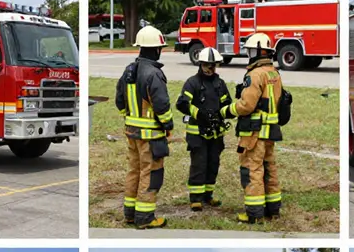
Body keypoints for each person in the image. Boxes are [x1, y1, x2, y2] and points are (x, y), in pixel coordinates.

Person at [220, 33, 286, 224]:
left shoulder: (255, 74)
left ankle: (254, 214)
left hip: (254, 133)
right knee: (269, 169)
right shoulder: (274, 73)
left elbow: (246, 105)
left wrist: (227, 110)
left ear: (258, 51)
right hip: (271, 132)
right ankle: (273, 210)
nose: (249, 54)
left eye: (250, 51)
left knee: (252, 170)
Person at [115, 26, 174, 229]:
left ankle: (130, 214)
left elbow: (119, 100)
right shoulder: (154, 74)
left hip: (131, 132)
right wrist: (168, 125)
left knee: (134, 171)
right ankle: (145, 217)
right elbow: (162, 105)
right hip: (150, 136)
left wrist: (129, 119)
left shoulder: (128, 71)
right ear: (156, 49)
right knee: (151, 173)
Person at [176, 47, 232, 211]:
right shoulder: (192, 83)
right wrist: (199, 114)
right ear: (200, 64)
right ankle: (195, 198)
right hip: (197, 133)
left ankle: (208, 196)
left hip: (216, 133)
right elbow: (182, 103)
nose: (210, 69)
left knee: (213, 164)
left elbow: (227, 104)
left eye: (213, 65)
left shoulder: (219, 84)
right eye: (207, 65)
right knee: (199, 165)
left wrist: (222, 114)